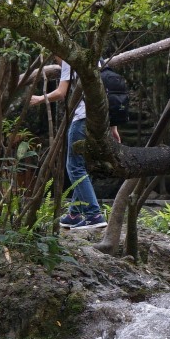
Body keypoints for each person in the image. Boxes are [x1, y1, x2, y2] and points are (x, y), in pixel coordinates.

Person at [30, 60, 125, 229]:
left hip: (82, 120)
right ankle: (74, 214)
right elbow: (108, 94)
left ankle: (93, 214)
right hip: (100, 121)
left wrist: (39, 99)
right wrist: (113, 127)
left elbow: (61, 92)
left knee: (74, 167)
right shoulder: (97, 60)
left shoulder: (70, 59)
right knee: (81, 166)